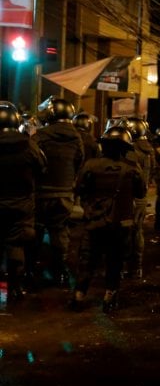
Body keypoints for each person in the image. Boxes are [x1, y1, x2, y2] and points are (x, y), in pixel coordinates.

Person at [71, 126, 146, 312]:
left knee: (87, 259)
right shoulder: (132, 169)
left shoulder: (90, 165)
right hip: (120, 223)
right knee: (115, 261)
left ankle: (79, 295)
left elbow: (79, 188)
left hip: (94, 220)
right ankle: (109, 297)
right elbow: (141, 192)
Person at [30, 96, 84, 288]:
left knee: (36, 230)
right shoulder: (76, 136)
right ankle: (59, 269)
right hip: (64, 192)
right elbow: (79, 161)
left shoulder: (41, 135)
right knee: (60, 232)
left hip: (42, 192)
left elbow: (34, 161)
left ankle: (31, 271)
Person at [0, 101, 46, 301]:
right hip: (21, 204)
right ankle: (15, 288)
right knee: (15, 245)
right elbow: (42, 168)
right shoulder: (28, 144)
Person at [119, 117, 155, 278]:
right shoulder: (147, 150)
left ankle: (128, 266)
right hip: (141, 195)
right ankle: (136, 266)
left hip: (130, 196)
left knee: (126, 232)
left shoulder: (133, 152)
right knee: (137, 231)